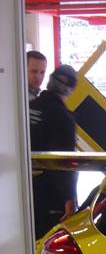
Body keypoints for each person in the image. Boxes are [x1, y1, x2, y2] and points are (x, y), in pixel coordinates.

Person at [30, 64, 78, 240]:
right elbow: (63, 162)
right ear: (70, 90)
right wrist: (69, 198)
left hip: (22, 187)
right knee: (44, 242)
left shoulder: (26, 107)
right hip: (49, 194)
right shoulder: (62, 117)